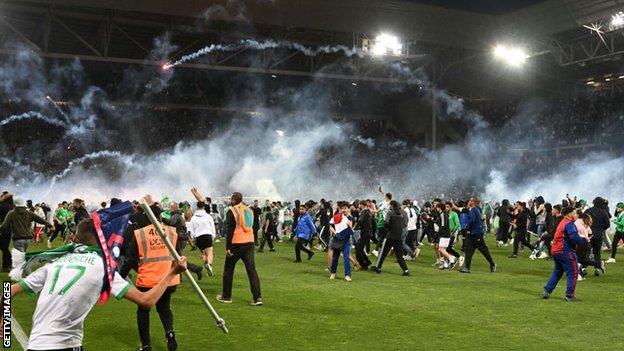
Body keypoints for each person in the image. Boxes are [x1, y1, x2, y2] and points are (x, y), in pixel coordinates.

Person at [11, 219, 188, 351]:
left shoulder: (54, 263)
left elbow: (7, 291)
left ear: (74, 238)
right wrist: (172, 272)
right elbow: (146, 301)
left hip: (35, 345)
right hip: (65, 345)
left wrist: (4, 326)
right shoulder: (104, 268)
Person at [120, 204, 185, 351]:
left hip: (148, 280)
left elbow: (129, 260)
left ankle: (146, 345)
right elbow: (177, 255)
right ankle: (169, 333)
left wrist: (119, 278)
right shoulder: (171, 232)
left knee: (143, 311)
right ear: (161, 215)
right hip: (168, 279)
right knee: (164, 308)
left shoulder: (140, 233)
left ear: (147, 216)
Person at [217, 192, 262, 305]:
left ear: (233, 200)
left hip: (236, 243)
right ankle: (257, 298)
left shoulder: (231, 211)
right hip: (249, 242)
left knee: (228, 270)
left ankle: (226, 296)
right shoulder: (248, 210)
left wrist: (228, 247)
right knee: (252, 270)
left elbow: (230, 230)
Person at [543, 207, 587, 302]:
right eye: (575, 213)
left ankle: (547, 290)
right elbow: (573, 236)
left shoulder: (562, 222)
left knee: (557, 271)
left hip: (556, 250)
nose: (576, 215)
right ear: (569, 214)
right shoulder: (569, 224)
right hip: (565, 251)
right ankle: (569, 295)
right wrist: (583, 241)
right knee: (573, 272)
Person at [371, 201, 410, 276]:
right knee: (399, 256)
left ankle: (378, 268)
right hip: (399, 236)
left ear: (392, 205)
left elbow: (386, 223)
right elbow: (405, 223)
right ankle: (406, 271)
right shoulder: (403, 213)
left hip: (390, 236)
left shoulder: (390, 213)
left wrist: (389, 229)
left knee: (383, 253)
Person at [459, 198, 496, 273]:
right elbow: (482, 218)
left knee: (483, 250)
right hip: (474, 233)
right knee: (468, 250)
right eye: (470, 200)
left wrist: (468, 228)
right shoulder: (477, 209)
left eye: (471, 200)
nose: (470, 201)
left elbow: (472, 220)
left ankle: (492, 264)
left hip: (476, 234)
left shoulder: (473, 210)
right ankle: (467, 268)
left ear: (474, 202)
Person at [187, 200, 216, 276]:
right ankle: (209, 264)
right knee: (210, 253)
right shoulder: (208, 216)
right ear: (204, 207)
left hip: (198, 237)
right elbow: (212, 227)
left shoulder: (193, 218)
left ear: (197, 207)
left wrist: (193, 238)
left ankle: (207, 265)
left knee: (203, 253)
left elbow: (191, 229)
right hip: (207, 235)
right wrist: (213, 236)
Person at [585, 197, 611, 276]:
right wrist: (601, 229)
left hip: (589, 233)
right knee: (597, 252)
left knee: (587, 251)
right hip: (599, 234)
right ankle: (597, 268)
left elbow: (583, 220)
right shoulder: (604, 212)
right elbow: (608, 224)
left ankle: (583, 268)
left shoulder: (588, 211)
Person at [329, 203, 354, 281]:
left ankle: (347, 275)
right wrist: (335, 232)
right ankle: (333, 273)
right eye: (342, 208)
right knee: (335, 257)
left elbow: (351, 228)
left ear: (349, 209)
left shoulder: (351, 218)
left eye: (345, 208)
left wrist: (349, 225)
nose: (343, 210)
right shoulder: (337, 216)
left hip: (346, 240)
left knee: (346, 257)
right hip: (337, 239)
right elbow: (330, 225)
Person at [355, 201, 373, 270]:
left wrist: (355, 227)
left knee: (358, 249)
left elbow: (360, 221)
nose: (359, 205)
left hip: (365, 233)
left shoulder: (364, 212)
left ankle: (363, 265)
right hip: (368, 232)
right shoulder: (369, 212)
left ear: (362, 205)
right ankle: (368, 262)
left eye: (359, 204)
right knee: (359, 248)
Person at [0, 191, 14, 272]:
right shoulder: (11, 206)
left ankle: (6, 265)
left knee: (4, 248)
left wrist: (2, 199)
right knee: (4, 248)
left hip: (4, 229)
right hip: (8, 230)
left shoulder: (4, 206)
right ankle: (9, 262)